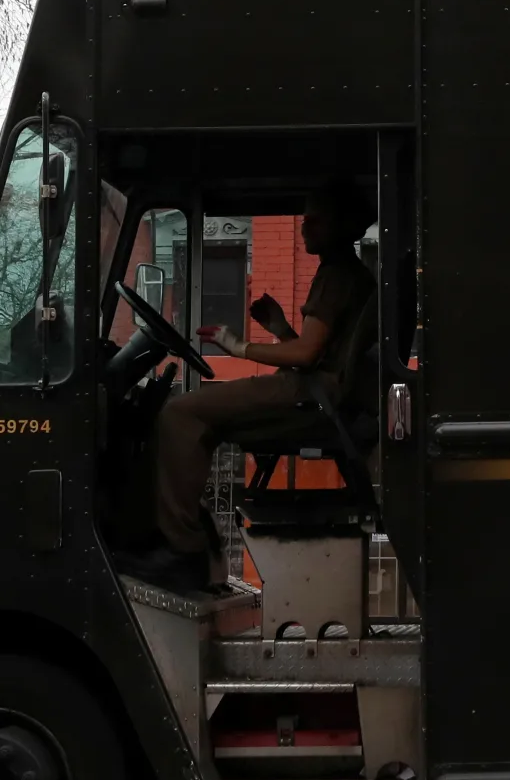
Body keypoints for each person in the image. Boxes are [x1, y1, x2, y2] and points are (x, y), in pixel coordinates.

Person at [142, 182, 376, 590]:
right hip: (319, 392)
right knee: (200, 421)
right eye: (304, 220)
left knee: (180, 413)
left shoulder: (338, 274)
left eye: (316, 220)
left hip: (311, 396)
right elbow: (318, 354)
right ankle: (198, 544)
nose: (305, 228)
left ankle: (183, 551)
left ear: (343, 225)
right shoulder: (344, 272)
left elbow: (305, 360)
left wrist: (238, 345)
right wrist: (281, 328)